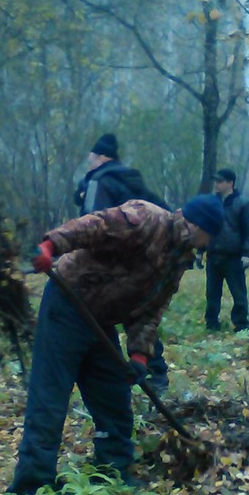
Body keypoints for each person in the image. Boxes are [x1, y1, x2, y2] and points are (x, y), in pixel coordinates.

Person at [6, 194, 225, 495]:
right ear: (198, 225)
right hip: (69, 303)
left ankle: (111, 470)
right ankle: (32, 483)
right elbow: (94, 226)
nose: (207, 244)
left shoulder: (180, 257)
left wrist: (139, 354)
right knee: (50, 394)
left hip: (101, 320)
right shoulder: (146, 218)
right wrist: (51, 245)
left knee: (113, 398)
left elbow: (151, 308)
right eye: (209, 236)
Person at [73, 132, 170, 391]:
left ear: (102, 157)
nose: (89, 162)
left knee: (102, 314)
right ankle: (155, 372)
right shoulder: (130, 179)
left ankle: (108, 377)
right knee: (139, 313)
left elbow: (91, 222)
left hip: (111, 261)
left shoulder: (99, 181)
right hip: (142, 257)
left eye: (91, 157)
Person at [204, 168, 249, 333]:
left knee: (238, 293)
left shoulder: (243, 203)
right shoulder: (212, 202)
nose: (216, 184)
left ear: (230, 183)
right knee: (212, 293)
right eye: (216, 181)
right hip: (213, 255)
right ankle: (211, 323)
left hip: (233, 257)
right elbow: (205, 227)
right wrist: (200, 250)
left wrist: (247, 254)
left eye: (220, 181)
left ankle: (241, 324)